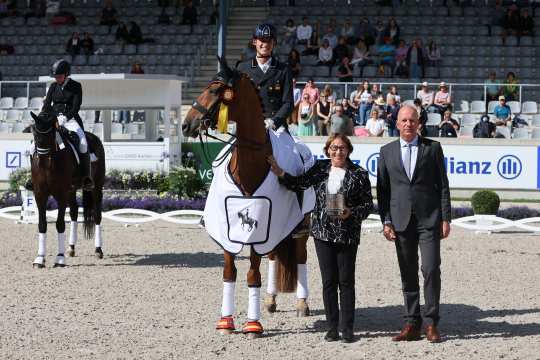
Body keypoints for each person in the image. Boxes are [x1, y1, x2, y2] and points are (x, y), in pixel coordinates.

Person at [267, 134, 373, 343]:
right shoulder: (321, 169)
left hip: (347, 234)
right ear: (328, 150)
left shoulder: (359, 174)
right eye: (334, 148)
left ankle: (347, 328)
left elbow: (368, 204)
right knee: (328, 282)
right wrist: (280, 172)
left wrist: (351, 212)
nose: (338, 152)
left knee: (346, 282)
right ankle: (332, 327)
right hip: (323, 234)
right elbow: (299, 184)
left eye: (342, 148)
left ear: (349, 150)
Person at [376, 105, 451, 344]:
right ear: (396, 123)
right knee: (408, 273)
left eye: (412, 120)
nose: (408, 124)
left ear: (419, 123)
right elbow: (383, 191)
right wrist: (386, 220)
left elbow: (443, 185)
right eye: (404, 120)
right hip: (400, 221)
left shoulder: (433, 148)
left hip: (429, 219)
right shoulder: (386, 151)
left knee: (430, 269)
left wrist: (446, 218)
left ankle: (431, 323)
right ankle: (412, 322)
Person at [27, 59, 93, 190]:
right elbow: (46, 105)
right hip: (53, 119)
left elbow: (76, 106)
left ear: (66, 74)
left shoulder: (76, 86)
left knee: (83, 144)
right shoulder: (53, 86)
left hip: (70, 119)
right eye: (55, 76)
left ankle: (86, 177)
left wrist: (66, 117)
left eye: (59, 76)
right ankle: (33, 176)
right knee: (32, 147)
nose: (57, 78)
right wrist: (41, 118)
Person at [236, 23, 293, 131]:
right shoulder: (242, 68)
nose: (265, 44)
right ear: (254, 41)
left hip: (276, 127)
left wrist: (274, 121)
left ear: (274, 43)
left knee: (291, 148)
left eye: (269, 41)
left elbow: (288, 103)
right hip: (248, 125)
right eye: (262, 40)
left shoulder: (284, 69)